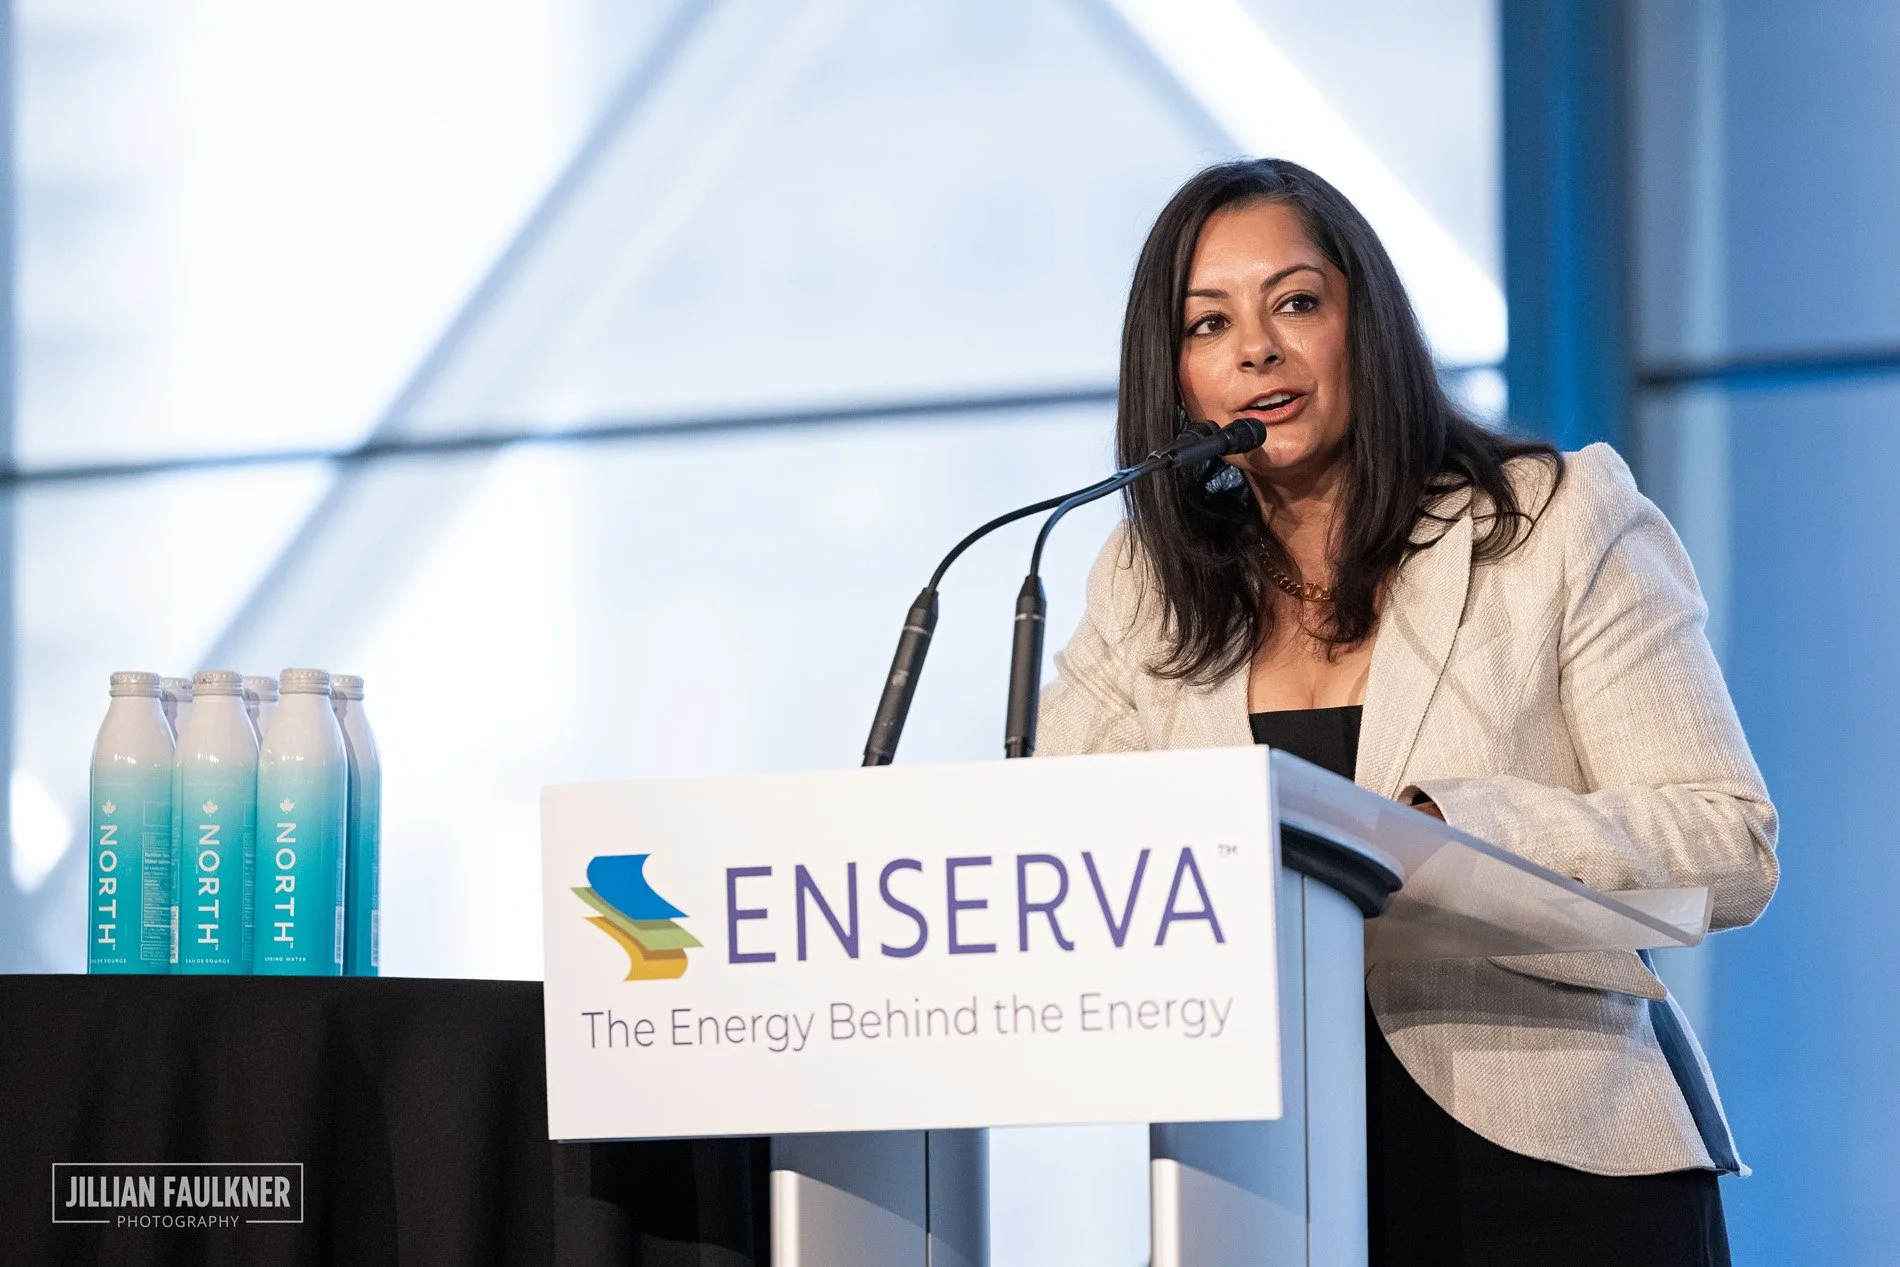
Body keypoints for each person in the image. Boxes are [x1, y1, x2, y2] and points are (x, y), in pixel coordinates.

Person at [1036, 157, 1778, 1266]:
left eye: (1295, 303)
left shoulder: (1551, 523)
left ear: (1363, 324)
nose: (1256, 349)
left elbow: (1728, 842)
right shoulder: (1146, 586)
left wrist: (1442, 833)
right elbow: (1065, 848)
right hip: (1255, 1183)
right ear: (1175, 378)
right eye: (1206, 325)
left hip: (1550, 1173)